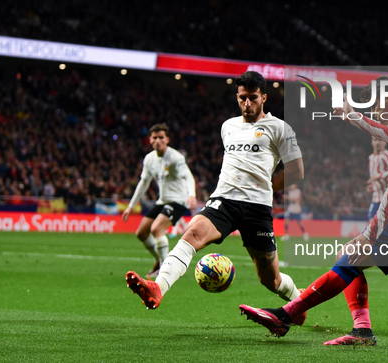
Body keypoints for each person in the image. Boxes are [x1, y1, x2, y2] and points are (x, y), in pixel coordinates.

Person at [239, 76, 388, 345]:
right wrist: (351, 116)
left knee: (352, 257)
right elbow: (383, 132)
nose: (375, 114)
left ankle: (285, 315)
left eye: (375, 108)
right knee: (350, 258)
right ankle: (361, 331)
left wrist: (370, 235)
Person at [125, 71, 307, 324]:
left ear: (264, 97)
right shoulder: (228, 127)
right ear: (237, 97)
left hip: (257, 208)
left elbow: (297, 170)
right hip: (224, 200)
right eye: (242, 98)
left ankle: (298, 302)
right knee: (192, 233)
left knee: (270, 279)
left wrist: (267, 187)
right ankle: (158, 287)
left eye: (253, 98)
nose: (247, 103)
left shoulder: (280, 128)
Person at [122, 123, 197, 278]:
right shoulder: (149, 159)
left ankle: (166, 270)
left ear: (167, 139)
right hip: (162, 201)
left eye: (161, 137)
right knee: (141, 233)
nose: (158, 141)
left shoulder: (176, 157)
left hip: (178, 201)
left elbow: (188, 176)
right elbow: (144, 182)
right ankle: (159, 261)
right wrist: (131, 205)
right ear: (150, 140)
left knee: (156, 228)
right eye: (154, 138)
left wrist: (192, 194)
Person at [367, 136, 388, 221]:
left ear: (385, 142)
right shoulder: (371, 158)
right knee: (371, 222)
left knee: (387, 224)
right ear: (372, 142)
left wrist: (378, 176)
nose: (377, 143)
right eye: (375, 140)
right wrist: (372, 186)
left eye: (380, 140)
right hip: (376, 196)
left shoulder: (386, 155)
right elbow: (372, 175)